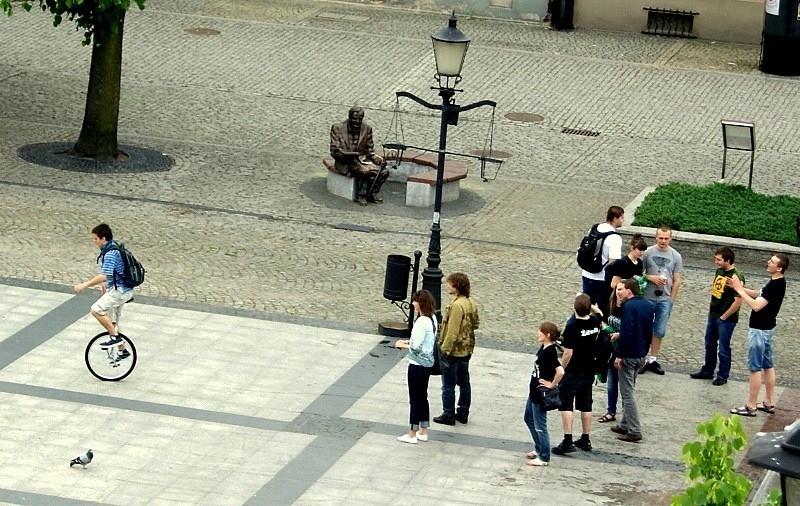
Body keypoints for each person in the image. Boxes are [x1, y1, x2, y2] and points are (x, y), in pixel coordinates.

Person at [729, 254, 788, 417]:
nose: (768, 262)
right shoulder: (776, 282)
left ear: (779, 268)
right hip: (768, 328)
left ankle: (751, 406)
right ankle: (768, 402)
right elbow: (758, 294)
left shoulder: (775, 285)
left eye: (772, 262)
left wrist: (740, 290)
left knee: (755, 368)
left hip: (760, 330)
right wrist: (736, 288)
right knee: (768, 365)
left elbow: (756, 305)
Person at [73, 223, 134, 360]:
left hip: (119, 291)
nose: (94, 241)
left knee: (96, 310)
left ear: (103, 238)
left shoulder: (111, 253)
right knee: (111, 321)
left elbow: (105, 275)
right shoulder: (113, 247)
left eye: (95, 239)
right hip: (121, 289)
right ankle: (122, 350)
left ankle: (115, 337)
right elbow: (113, 272)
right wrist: (106, 284)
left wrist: (84, 285)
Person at [552, 293, 601, 455]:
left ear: (574, 308)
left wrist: (561, 368)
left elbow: (568, 353)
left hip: (573, 370)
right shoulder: (595, 321)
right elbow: (599, 313)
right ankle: (585, 438)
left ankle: (567, 440)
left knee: (566, 404)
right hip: (589, 369)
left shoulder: (572, 325)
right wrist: (590, 304)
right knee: (586, 404)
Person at [690, 247, 744, 386]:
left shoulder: (736, 276)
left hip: (726, 318)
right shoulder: (719, 271)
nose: (716, 262)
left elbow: (738, 300)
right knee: (709, 343)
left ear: (728, 260)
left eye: (719, 259)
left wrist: (724, 317)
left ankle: (723, 375)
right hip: (713, 313)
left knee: (724, 347)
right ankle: (708, 370)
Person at [610, 278, 654, 443]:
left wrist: (619, 355)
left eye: (621, 290)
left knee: (627, 394)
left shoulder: (628, 307)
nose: (618, 293)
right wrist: (645, 353)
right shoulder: (647, 305)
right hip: (640, 354)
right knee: (630, 389)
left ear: (630, 291)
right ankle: (624, 424)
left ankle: (634, 430)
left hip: (628, 355)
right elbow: (649, 331)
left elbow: (627, 331)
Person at [433, 272, 480, 426]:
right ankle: (463, 412)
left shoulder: (456, 306)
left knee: (448, 384)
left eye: (450, 283)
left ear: (456, 286)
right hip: (466, 349)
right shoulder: (470, 303)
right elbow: (476, 324)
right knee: (464, 382)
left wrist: (443, 351)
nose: (447, 285)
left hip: (454, 351)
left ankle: (448, 413)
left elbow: (452, 332)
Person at [395, 290, 438, 444]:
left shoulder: (421, 322)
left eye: (415, 301)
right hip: (427, 365)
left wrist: (402, 344)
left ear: (421, 303)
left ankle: (412, 433)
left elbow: (415, 346)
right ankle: (423, 430)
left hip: (417, 365)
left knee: (414, 398)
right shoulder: (432, 319)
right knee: (422, 396)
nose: (413, 304)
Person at [640, 225, 683, 375]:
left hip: (664, 298)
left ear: (670, 238)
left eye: (666, 238)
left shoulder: (676, 256)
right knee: (645, 328)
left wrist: (671, 299)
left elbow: (677, 279)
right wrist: (650, 277)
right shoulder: (648, 253)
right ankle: (642, 358)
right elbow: (639, 274)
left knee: (659, 330)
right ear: (656, 237)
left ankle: (653, 359)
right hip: (647, 296)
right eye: (661, 238)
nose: (663, 241)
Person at [329, 106, 390, 206]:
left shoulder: (367, 129)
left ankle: (373, 192)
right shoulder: (338, 128)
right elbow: (334, 150)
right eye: (354, 119)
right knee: (364, 171)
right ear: (349, 117)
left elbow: (369, 150)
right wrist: (345, 155)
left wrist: (377, 158)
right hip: (345, 161)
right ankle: (361, 195)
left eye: (359, 119)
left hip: (362, 159)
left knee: (384, 172)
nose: (357, 122)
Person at [524, 321, 565, 467]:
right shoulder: (544, 347)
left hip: (540, 395)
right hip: (534, 391)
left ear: (547, 335)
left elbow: (560, 371)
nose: (537, 333)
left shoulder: (550, 352)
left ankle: (544, 456)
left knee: (540, 426)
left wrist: (551, 384)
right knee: (528, 418)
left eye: (540, 331)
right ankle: (539, 448)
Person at [580, 206, 624, 319]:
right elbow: (613, 262)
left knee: (584, 307)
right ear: (615, 219)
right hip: (601, 279)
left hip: (586, 274)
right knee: (604, 311)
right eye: (622, 218)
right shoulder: (615, 238)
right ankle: (601, 334)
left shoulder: (594, 228)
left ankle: (574, 332)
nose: (623, 220)